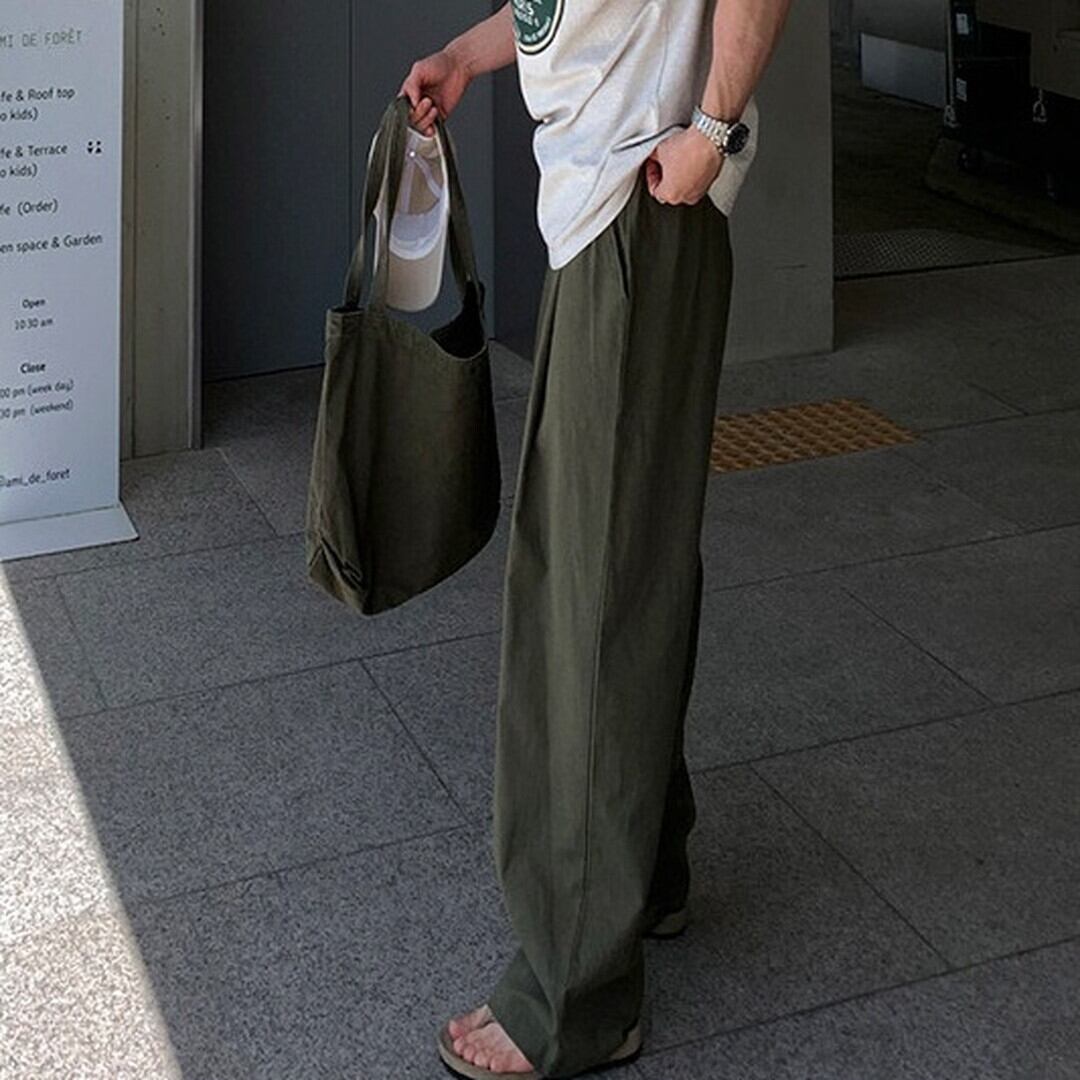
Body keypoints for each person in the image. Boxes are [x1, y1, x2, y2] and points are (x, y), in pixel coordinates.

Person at [400, 2, 793, 1077]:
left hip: (641, 205)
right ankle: (647, 871)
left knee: (590, 585)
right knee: (626, 557)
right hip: (611, 213)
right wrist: (465, 56)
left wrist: (712, 130)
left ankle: (575, 992)